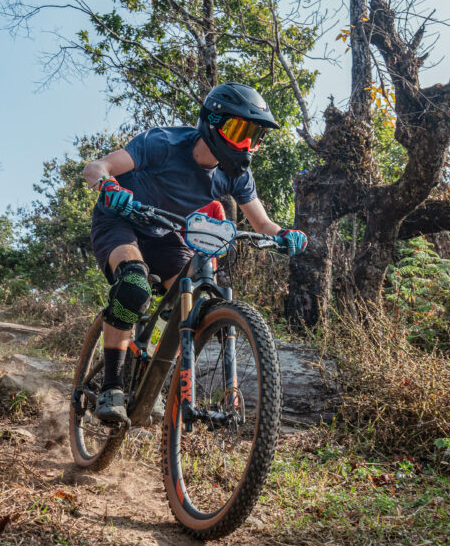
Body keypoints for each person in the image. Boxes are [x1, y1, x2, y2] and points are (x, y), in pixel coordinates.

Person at [82, 82, 308, 425]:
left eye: (254, 137)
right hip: (121, 220)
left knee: (191, 304)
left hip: (168, 233)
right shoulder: (163, 143)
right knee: (133, 286)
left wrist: (285, 235)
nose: (246, 145)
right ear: (213, 122)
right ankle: (111, 385)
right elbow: (96, 167)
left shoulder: (236, 177)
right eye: (239, 131)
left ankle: (151, 379)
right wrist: (108, 186)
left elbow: (263, 223)